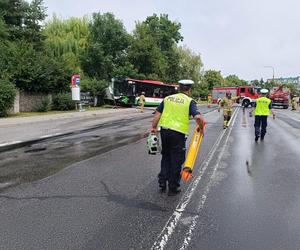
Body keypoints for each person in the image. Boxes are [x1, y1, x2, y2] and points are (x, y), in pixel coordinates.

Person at [151, 80, 205, 196]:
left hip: (164, 131)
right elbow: (198, 118)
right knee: (176, 159)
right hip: (178, 133)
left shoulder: (168, 99)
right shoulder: (189, 101)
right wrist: (201, 128)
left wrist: (154, 127)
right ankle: (173, 187)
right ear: (189, 89)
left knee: (166, 156)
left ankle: (162, 182)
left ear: (179, 88)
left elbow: (157, 114)